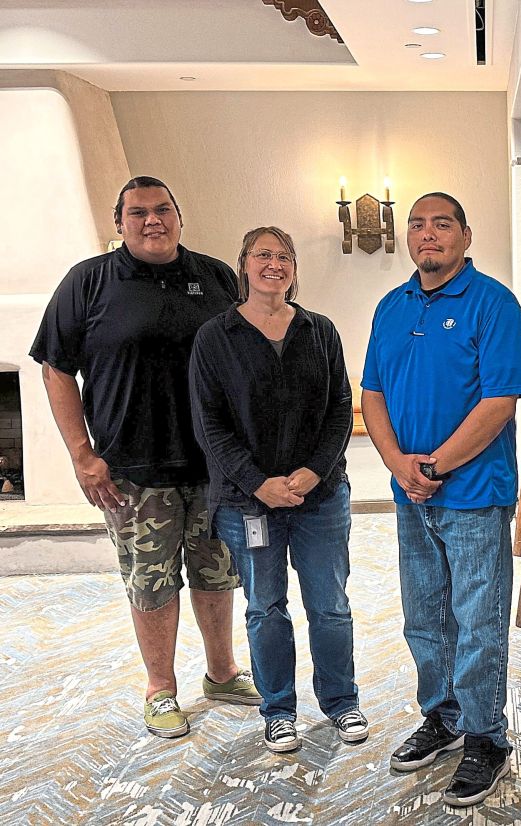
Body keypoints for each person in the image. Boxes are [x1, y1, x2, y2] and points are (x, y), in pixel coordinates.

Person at [30, 176, 260, 738]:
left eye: (163, 210)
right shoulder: (89, 281)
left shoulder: (214, 277)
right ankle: (161, 689)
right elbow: (55, 368)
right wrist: (83, 455)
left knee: (217, 573)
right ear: (120, 223)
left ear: (179, 216)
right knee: (151, 581)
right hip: (132, 472)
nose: (152, 220)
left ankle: (223, 673)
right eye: (138, 213)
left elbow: (244, 358)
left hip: (212, 466)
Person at [361, 192, 521, 807]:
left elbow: (499, 403)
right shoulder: (391, 307)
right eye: (417, 225)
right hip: (412, 498)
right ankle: (443, 717)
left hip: (475, 497)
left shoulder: (494, 304)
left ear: (465, 235)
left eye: (441, 224)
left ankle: (486, 737)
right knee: (425, 618)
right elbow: (373, 395)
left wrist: (433, 464)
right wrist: (398, 464)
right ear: (407, 239)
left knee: (478, 621)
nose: (427, 234)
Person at [189, 226, 366, 754]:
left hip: (321, 496)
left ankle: (341, 701)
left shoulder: (320, 331)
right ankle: (279, 710)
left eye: (284, 255)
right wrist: (256, 482)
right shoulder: (214, 338)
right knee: (266, 607)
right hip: (249, 503)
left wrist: (314, 470)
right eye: (263, 254)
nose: (275, 263)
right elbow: (210, 424)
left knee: (330, 604)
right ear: (242, 265)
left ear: (293, 268)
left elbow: (340, 407)